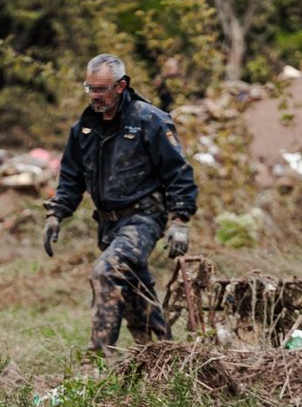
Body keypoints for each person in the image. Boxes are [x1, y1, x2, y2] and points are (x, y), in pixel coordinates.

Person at [42, 54, 199, 358]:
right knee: (135, 293)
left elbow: (178, 172)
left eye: (102, 89)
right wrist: (55, 214)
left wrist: (180, 221)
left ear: (121, 86)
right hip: (109, 225)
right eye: (91, 89)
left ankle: (97, 359)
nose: (95, 97)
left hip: (144, 218)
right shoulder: (84, 129)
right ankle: (164, 355)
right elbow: (71, 178)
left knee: (107, 271)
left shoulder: (150, 121)